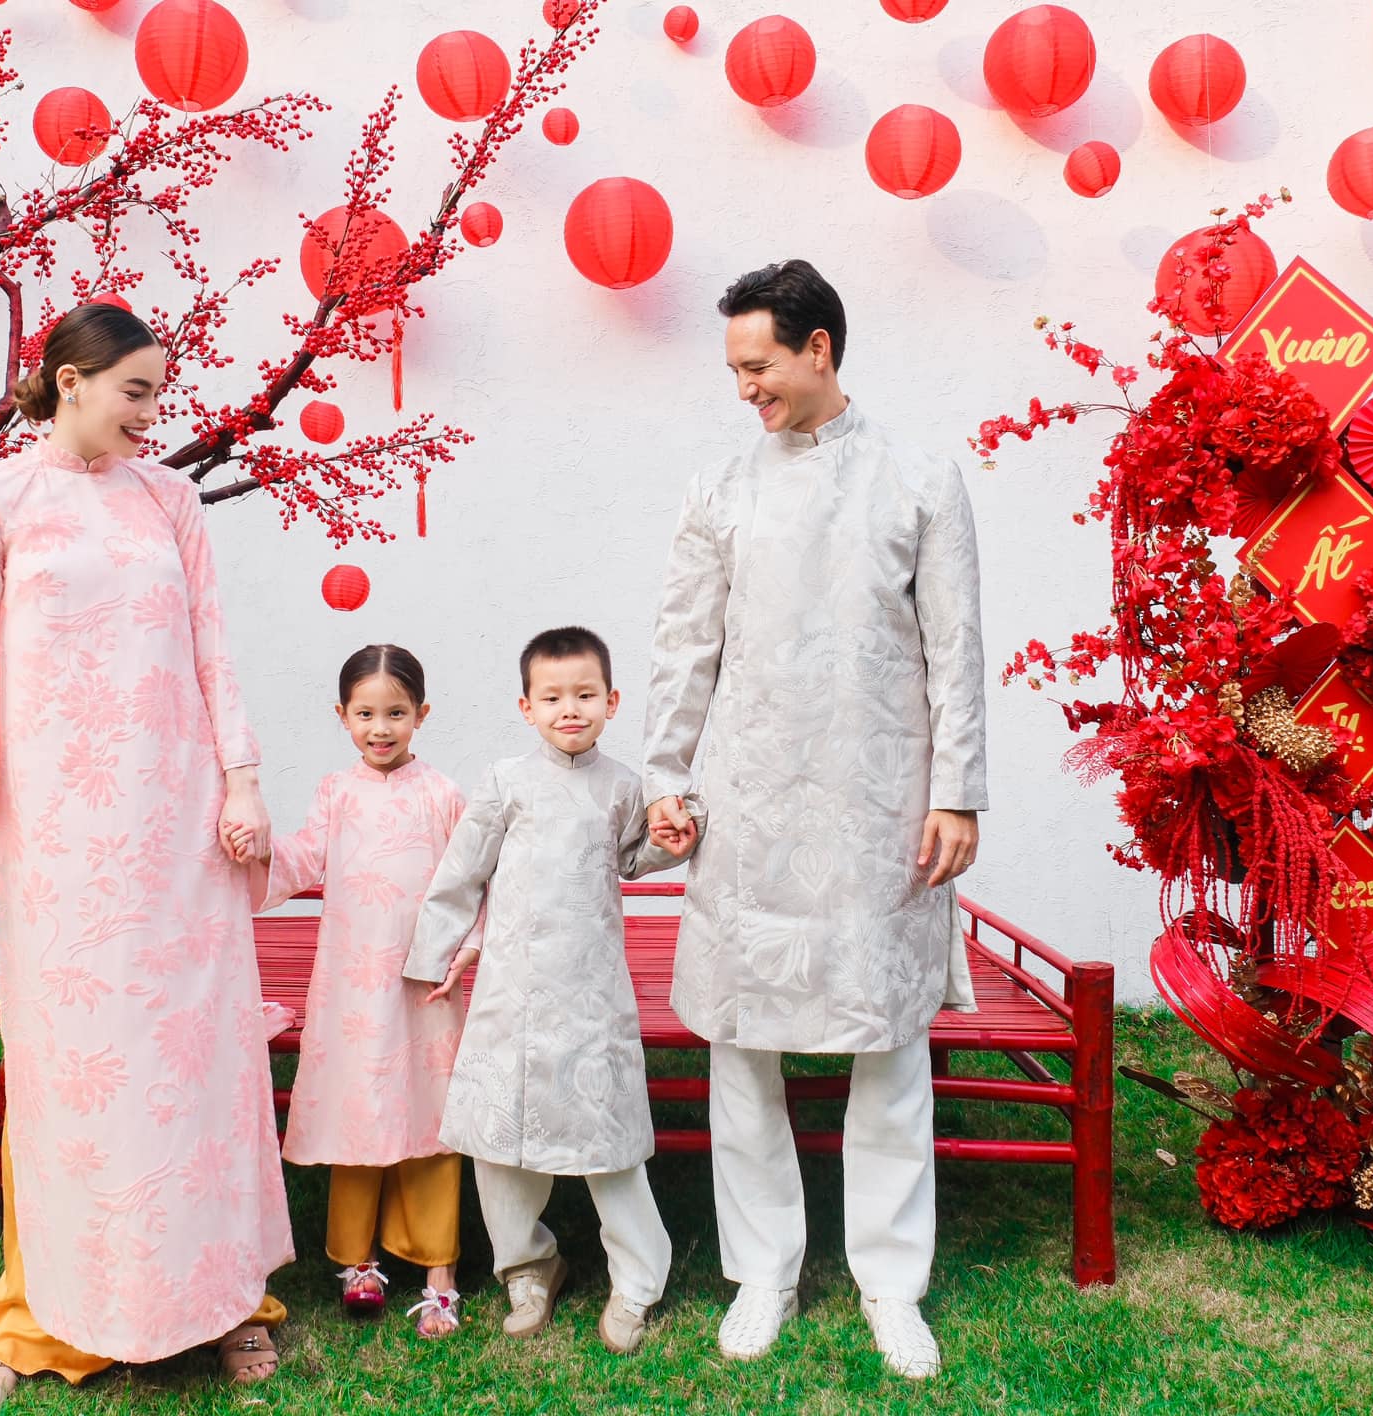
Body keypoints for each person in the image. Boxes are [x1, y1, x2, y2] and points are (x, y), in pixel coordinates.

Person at [0, 302, 293, 1410]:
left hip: (179, 830)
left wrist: (242, 779)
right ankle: (37, 1313)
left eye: (158, 394)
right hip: (60, 841)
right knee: (71, 1071)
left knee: (193, 1064)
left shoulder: (170, 499)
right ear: (70, 380)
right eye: (135, 392)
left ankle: (227, 1298)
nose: (151, 413)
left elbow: (213, 647)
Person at [642, 260, 988, 1380]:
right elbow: (683, 645)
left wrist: (956, 792)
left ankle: (892, 1282)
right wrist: (664, 774)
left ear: (818, 349)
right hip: (749, 803)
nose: (745, 388)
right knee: (742, 1042)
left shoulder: (920, 478)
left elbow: (955, 650)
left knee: (887, 1041)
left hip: (882, 806)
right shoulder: (718, 491)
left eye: (758, 366)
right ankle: (763, 1272)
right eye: (735, 370)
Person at [402, 626, 697, 1356]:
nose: (571, 709)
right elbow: (462, 872)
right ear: (526, 706)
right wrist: (434, 956)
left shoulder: (625, 786)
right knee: (499, 1143)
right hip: (512, 995)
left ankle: (638, 1281)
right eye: (554, 697)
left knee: (609, 1142)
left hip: (593, 996)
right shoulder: (506, 781)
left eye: (585, 695)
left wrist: (672, 839)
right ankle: (528, 1267)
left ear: (611, 702)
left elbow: (634, 857)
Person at [233, 644, 475, 1338]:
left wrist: (467, 948)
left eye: (396, 712)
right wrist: (259, 850)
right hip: (353, 986)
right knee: (359, 1107)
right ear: (341, 716)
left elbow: (472, 881)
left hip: (424, 984)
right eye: (365, 714)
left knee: (429, 1113)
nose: (380, 727)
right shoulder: (336, 794)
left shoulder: (443, 795)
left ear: (422, 714)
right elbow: (304, 857)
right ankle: (358, 1259)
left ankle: (439, 1271)